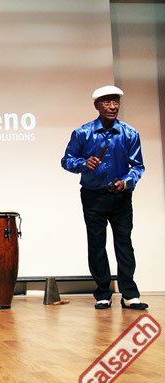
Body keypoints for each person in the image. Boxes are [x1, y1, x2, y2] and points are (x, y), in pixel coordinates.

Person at [61, 85, 147, 310]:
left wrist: (125, 182)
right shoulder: (83, 133)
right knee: (97, 244)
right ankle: (103, 293)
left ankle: (129, 294)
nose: (112, 106)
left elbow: (138, 167)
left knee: (124, 244)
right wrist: (83, 163)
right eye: (107, 102)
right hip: (93, 196)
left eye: (115, 101)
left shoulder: (130, 133)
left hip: (121, 197)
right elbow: (66, 161)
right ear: (96, 106)